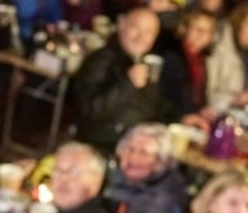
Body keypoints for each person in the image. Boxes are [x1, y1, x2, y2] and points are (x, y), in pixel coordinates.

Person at [71, 8, 172, 151]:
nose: (141, 37)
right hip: (103, 148)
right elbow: (90, 109)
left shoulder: (146, 63)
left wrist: (179, 120)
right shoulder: (101, 60)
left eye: (149, 33)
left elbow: (151, 107)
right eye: (135, 28)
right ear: (122, 25)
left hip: (135, 147)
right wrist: (128, 83)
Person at [105, 123, 190, 213]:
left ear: (159, 162)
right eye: (130, 149)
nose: (133, 158)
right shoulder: (113, 174)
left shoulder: (160, 201)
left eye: (143, 153)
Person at [159, 9, 216, 115]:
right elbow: (169, 97)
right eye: (197, 28)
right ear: (184, 28)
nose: (202, 34)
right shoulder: (172, 56)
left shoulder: (201, 59)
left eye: (207, 30)